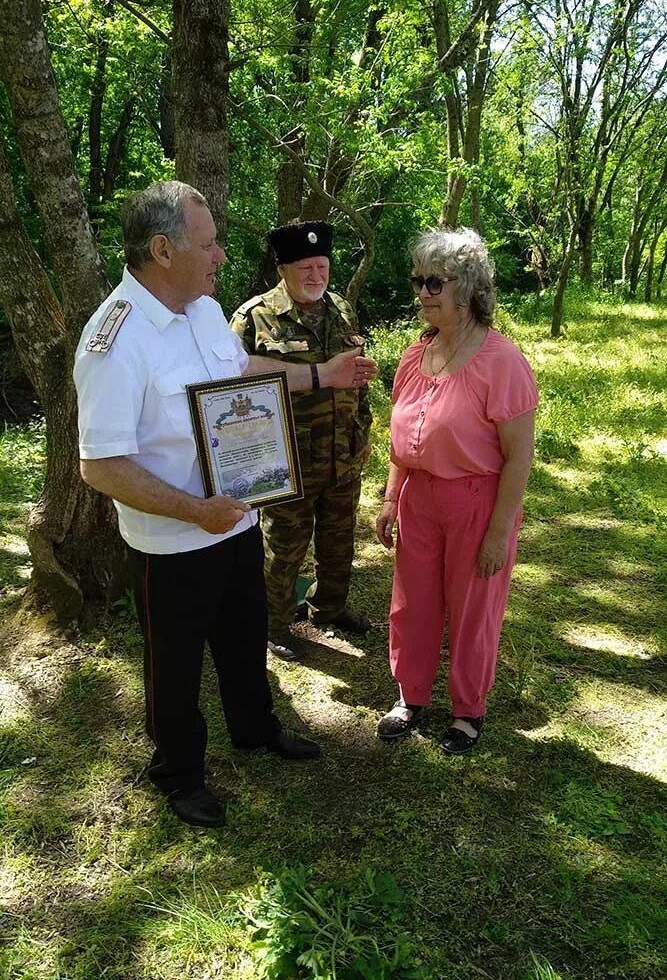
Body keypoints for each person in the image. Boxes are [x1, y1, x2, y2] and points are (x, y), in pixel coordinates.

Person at [73, 181, 378, 828]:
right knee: (175, 669)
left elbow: (242, 375)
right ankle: (179, 774)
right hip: (172, 545)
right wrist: (194, 510)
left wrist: (322, 375)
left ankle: (255, 728)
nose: (219, 255)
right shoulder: (114, 341)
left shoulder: (205, 310)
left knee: (244, 641)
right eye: (207, 243)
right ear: (162, 249)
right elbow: (98, 465)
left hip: (237, 518)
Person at [375, 228, 538, 754]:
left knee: (472, 610)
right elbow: (400, 441)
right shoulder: (411, 356)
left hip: (476, 503)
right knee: (412, 603)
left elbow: (518, 457)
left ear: (466, 288)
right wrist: (389, 498)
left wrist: (498, 533)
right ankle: (411, 696)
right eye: (418, 280)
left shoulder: (501, 361)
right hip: (417, 500)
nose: (422, 292)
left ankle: (468, 710)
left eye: (434, 282)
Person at [230, 221, 373, 662]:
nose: (316, 274)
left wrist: (364, 417)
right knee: (283, 546)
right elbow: (229, 380)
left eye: (322, 265)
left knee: (339, 539)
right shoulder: (253, 317)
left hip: (342, 453)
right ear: (282, 269)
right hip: (284, 458)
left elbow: (354, 372)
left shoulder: (342, 309)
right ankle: (274, 623)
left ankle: (329, 608)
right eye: (305, 267)